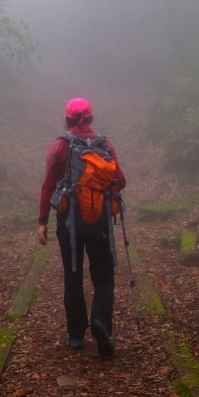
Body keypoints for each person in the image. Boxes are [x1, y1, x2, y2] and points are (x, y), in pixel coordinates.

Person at [38, 97, 127, 356]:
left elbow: (48, 185)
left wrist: (42, 222)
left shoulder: (59, 147)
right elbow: (120, 181)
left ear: (67, 119)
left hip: (69, 223)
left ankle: (76, 335)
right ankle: (101, 323)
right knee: (103, 277)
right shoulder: (105, 145)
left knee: (73, 275)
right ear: (91, 119)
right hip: (100, 222)